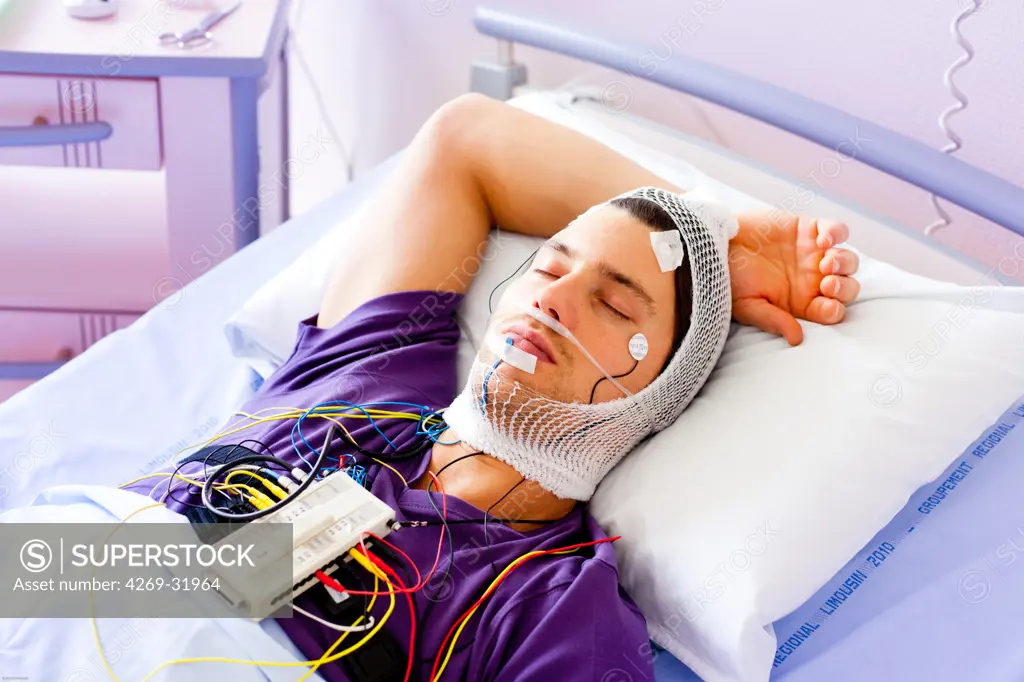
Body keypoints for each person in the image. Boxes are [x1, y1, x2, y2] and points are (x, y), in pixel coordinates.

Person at [133, 93, 860, 680]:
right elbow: (465, 139)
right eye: (549, 268)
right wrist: (716, 230)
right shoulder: (366, 377)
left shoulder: (552, 614)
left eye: (612, 303)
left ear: (657, 399)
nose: (553, 298)